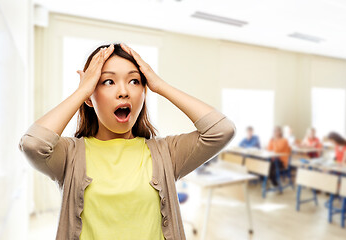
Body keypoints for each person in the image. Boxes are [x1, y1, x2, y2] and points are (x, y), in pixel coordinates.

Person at [18, 43, 235, 240]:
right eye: (108, 81)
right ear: (90, 97)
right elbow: (33, 144)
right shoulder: (70, 154)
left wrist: (159, 85)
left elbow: (221, 130)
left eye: (134, 81)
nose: (124, 92)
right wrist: (83, 90)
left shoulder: (166, 152)